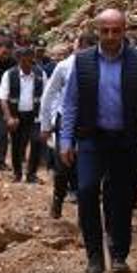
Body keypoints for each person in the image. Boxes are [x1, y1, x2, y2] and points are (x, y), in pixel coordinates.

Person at [59, 9, 137, 273]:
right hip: (91, 138)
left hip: (127, 140)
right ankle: (94, 258)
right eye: (104, 30)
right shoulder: (81, 61)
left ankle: (118, 253)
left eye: (115, 30)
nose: (110, 36)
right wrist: (65, 139)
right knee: (85, 191)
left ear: (125, 30)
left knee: (120, 198)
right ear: (97, 31)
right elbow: (70, 103)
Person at [40, 33, 97, 218]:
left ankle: (84, 210)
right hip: (65, 119)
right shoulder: (64, 67)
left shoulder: (99, 65)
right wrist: (46, 125)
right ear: (77, 47)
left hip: (90, 122)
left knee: (87, 165)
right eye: (84, 47)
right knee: (63, 164)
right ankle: (58, 198)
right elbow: (48, 95)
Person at [0, 46, 47, 183]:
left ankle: (31, 174)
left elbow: (47, 96)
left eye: (29, 61)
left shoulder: (40, 74)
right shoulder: (9, 74)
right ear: (18, 60)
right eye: (23, 62)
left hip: (35, 115)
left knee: (36, 142)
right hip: (16, 116)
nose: (27, 65)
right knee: (16, 144)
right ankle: (17, 173)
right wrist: (8, 117)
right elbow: (3, 98)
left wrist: (46, 116)